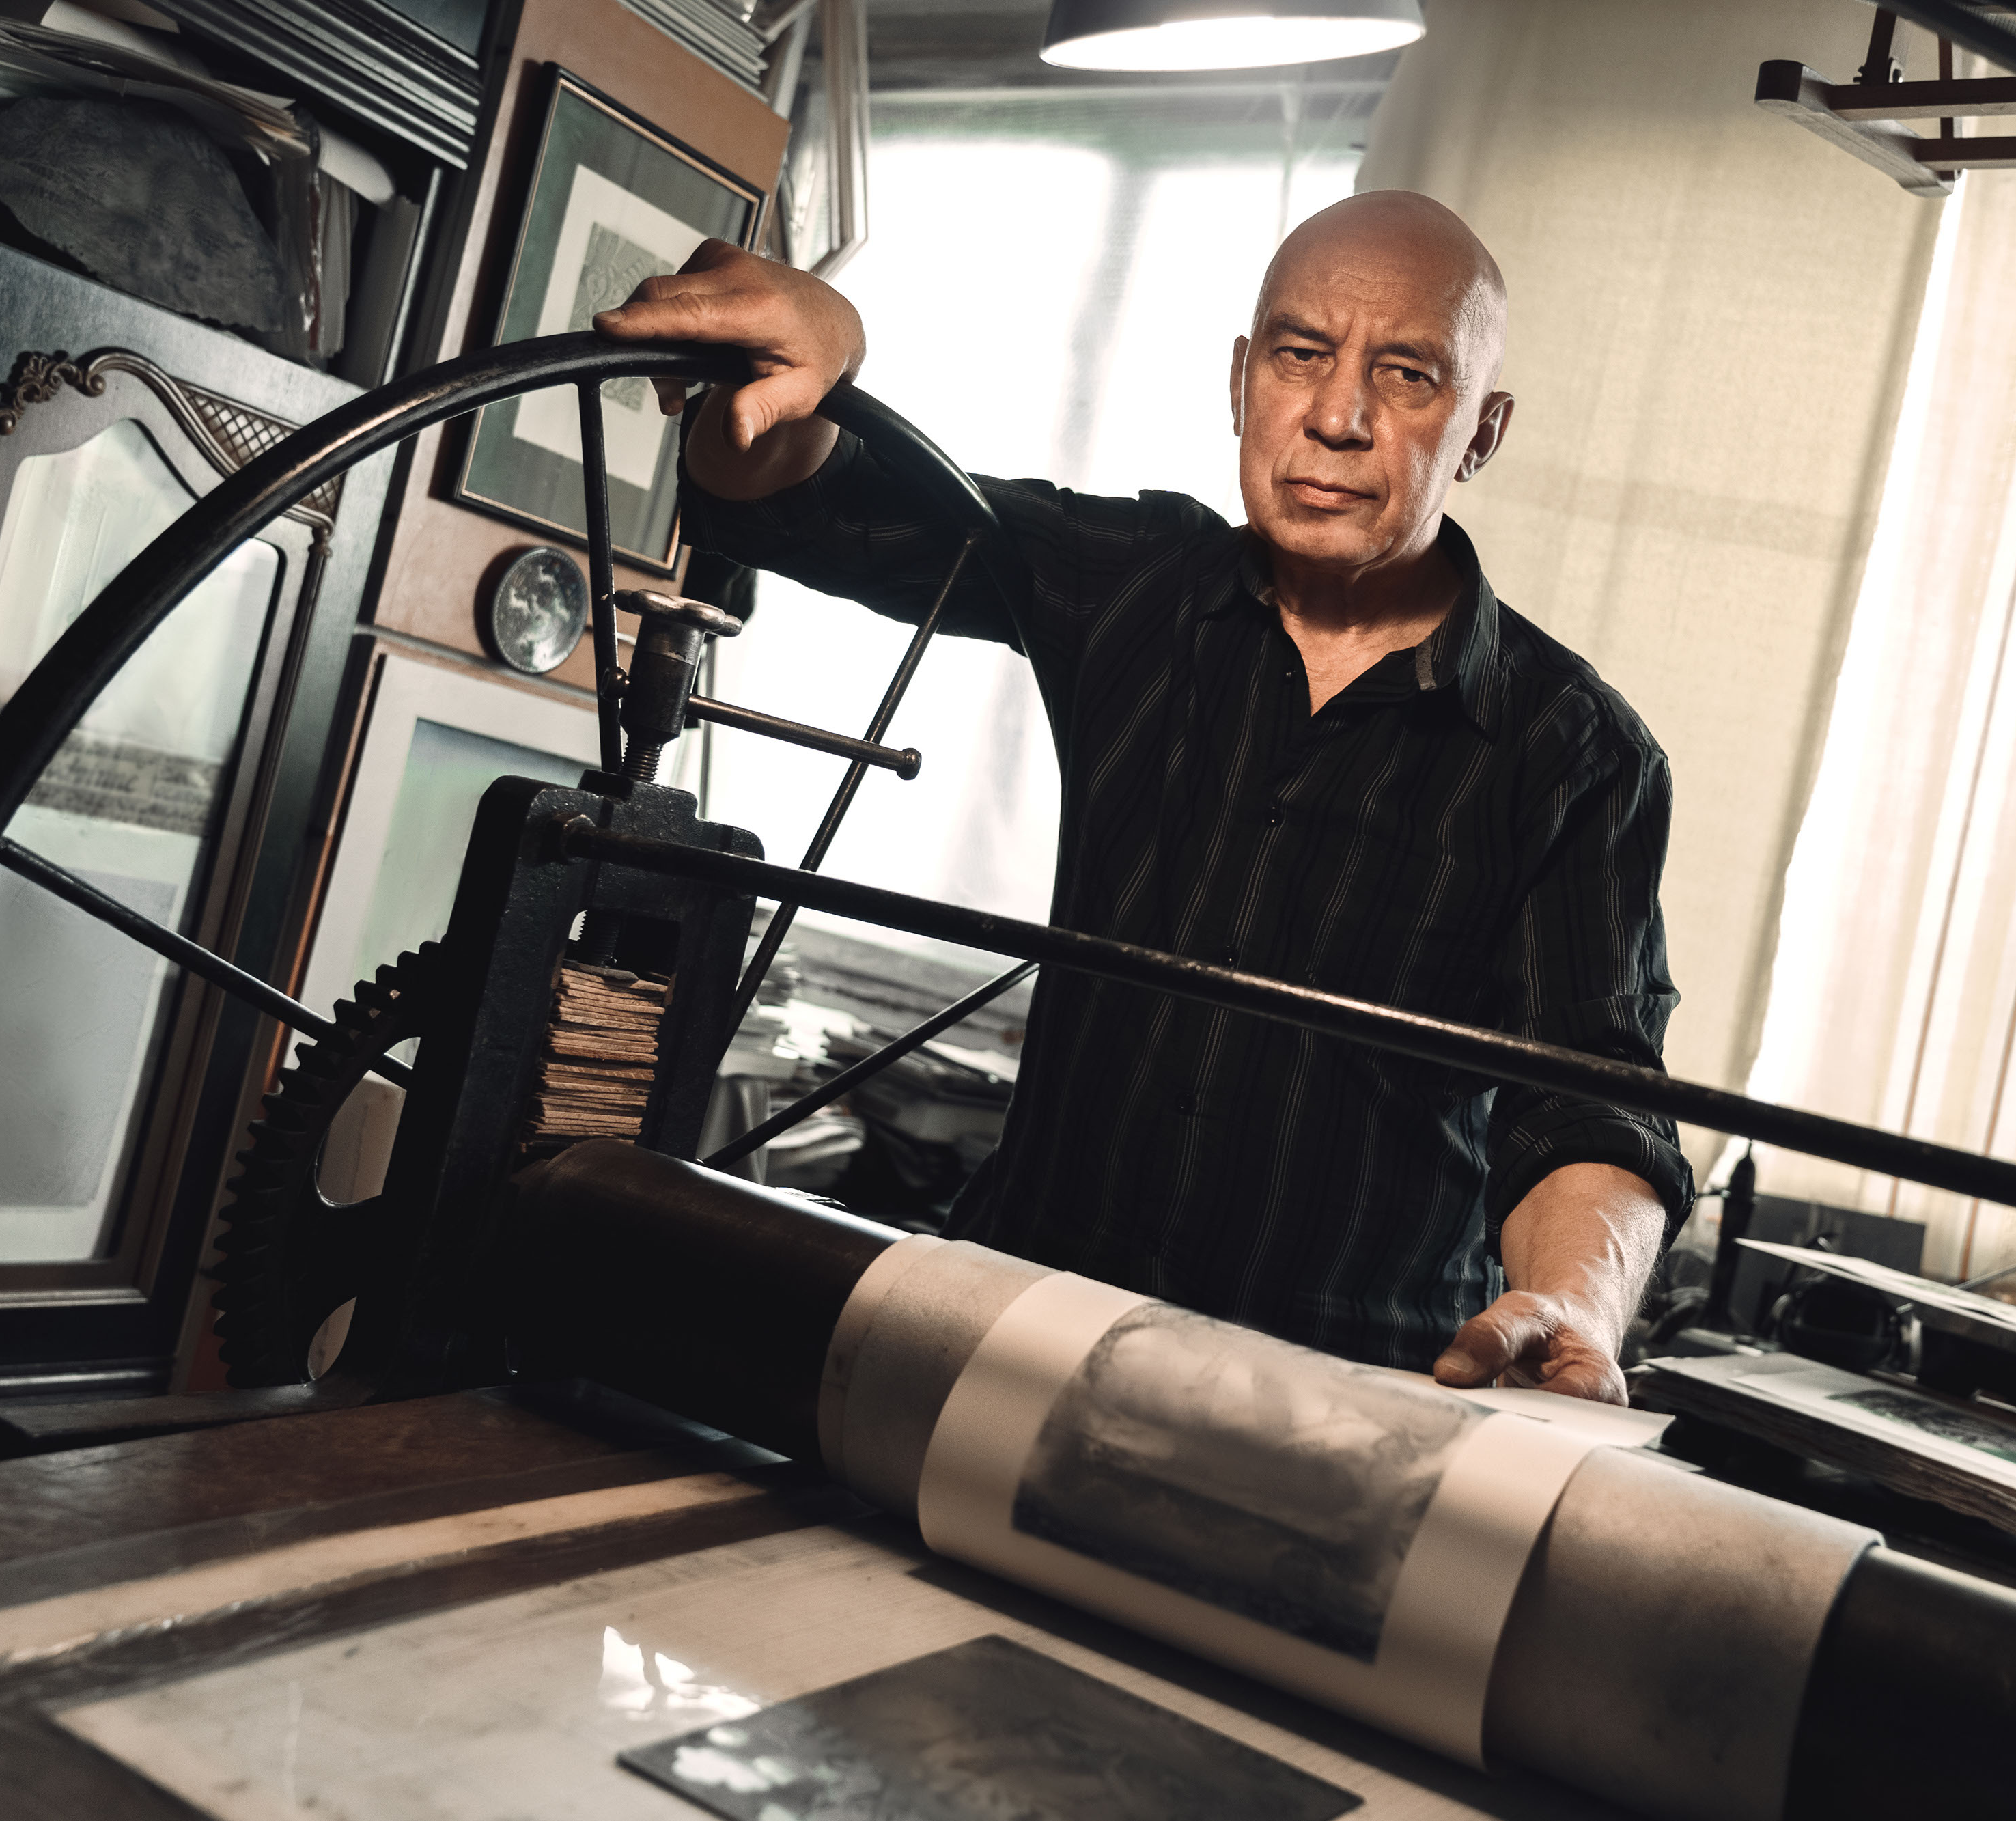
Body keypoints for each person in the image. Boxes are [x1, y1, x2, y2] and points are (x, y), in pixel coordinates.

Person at [598, 189, 1688, 1403]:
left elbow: (1591, 1100)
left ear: (1482, 430)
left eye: (1407, 376)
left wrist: (1576, 1301)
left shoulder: (1575, 752)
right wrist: (812, 365)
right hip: (1009, 1340)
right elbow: (806, 502)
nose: (1337, 417)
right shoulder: (1134, 581)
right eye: (1300, 355)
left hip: (1343, 1404)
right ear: (1240, 382)